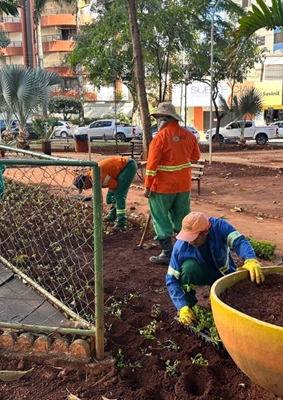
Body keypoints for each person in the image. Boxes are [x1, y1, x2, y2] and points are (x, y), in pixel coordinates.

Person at [166, 212, 264, 326]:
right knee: (189, 269)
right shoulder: (181, 246)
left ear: (205, 232)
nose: (191, 242)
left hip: (222, 273)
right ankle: (189, 307)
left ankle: (220, 299)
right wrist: (182, 306)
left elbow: (239, 241)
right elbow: (171, 279)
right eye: (188, 237)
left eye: (194, 237)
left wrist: (250, 259)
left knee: (227, 306)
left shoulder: (219, 227)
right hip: (198, 273)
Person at [145, 102, 200, 264]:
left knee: (160, 218)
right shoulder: (189, 135)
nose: (157, 122)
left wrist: (148, 187)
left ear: (164, 119)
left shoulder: (159, 138)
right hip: (183, 186)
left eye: (158, 118)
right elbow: (195, 156)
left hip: (162, 187)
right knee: (182, 217)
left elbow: (151, 166)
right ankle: (185, 249)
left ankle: (167, 252)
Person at [73, 156, 138, 231]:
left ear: (86, 181)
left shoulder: (97, 177)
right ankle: (112, 215)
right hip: (121, 168)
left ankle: (121, 223)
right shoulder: (92, 176)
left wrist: (110, 195)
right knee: (113, 196)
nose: (86, 189)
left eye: (84, 187)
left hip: (128, 166)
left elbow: (114, 185)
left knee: (119, 194)